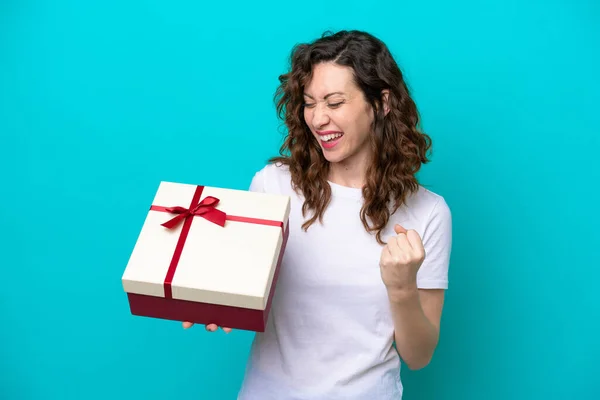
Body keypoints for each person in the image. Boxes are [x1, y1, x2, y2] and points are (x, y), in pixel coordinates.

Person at [184, 29, 452, 400]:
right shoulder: (273, 186)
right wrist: (213, 302)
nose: (318, 118)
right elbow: (237, 288)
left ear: (382, 103)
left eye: (335, 102)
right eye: (310, 103)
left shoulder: (428, 212)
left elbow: (419, 355)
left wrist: (402, 287)